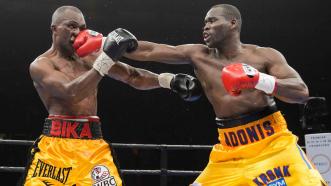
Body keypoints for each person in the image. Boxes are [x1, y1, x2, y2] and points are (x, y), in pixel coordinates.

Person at [122, 4, 327, 186]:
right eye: (204, 23)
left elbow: (301, 92)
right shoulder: (198, 55)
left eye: (212, 20)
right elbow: (150, 50)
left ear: (232, 23)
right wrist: (104, 42)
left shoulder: (264, 55)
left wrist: (257, 79)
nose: (205, 26)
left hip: (273, 145)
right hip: (228, 153)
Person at [21, 6, 201, 186]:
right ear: (54, 28)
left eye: (82, 27)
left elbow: (132, 76)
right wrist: (106, 58)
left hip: (92, 148)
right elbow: (71, 93)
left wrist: (168, 80)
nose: (77, 32)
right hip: (55, 149)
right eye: (71, 26)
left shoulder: (91, 56)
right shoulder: (41, 65)